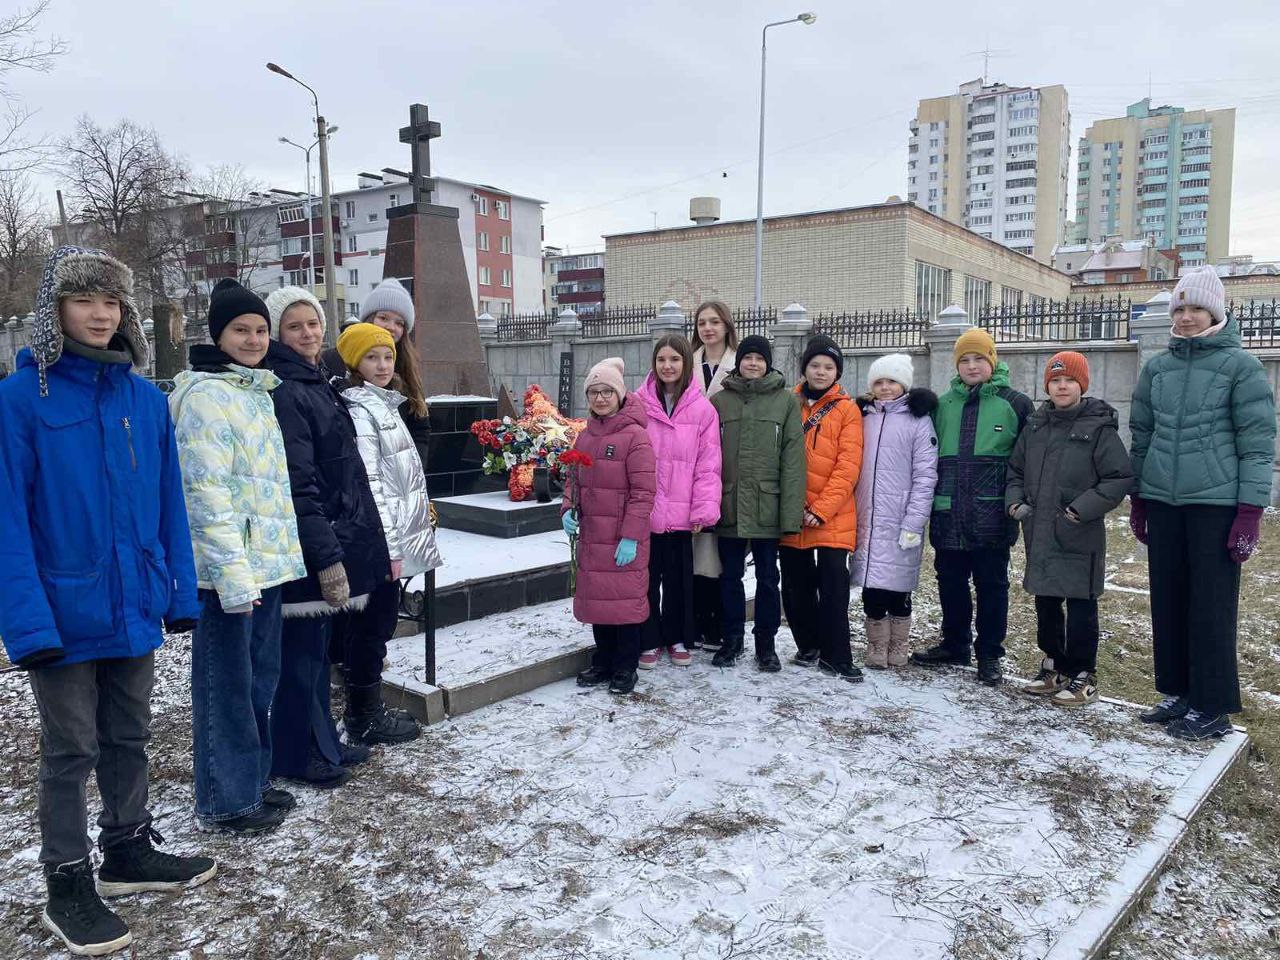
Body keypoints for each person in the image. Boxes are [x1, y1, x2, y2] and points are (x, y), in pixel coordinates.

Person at [0, 246, 216, 957]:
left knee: (129, 735)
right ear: (54, 309)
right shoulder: (20, 398)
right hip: (63, 614)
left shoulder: (144, 400)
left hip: (133, 606)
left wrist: (178, 594)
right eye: (85, 299)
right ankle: (67, 881)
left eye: (112, 302)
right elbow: (7, 519)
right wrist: (28, 624)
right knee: (71, 749)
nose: (101, 314)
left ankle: (127, 848)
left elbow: (169, 507)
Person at [169, 279, 308, 835]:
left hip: (265, 563)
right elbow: (206, 492)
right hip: (229, 570)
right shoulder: (206, 395)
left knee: (258, 680)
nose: (253, 339)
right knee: (226, 685)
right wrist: (231, 575)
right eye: (240, 330)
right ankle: (225, 798)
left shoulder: (254, 389)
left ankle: (251, 779)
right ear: (218, 336)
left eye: (259, 330)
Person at [1129, 267, 1276, 739]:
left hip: (1215, 505)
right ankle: (1179, 692)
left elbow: (1258, 443)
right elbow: (1142, 435)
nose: (1187, 317)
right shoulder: (1158, 367)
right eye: (1181, 308)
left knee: (1210, 605)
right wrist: (1140, 497)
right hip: (1163, 501)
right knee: (1168, 599)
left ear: (1215, 312)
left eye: (1196, 309)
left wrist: (1249, 512)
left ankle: (1212, 706)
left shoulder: (1241, 367)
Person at [263, 286, 391, 788]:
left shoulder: (314, 379)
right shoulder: (287, 388)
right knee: (300, 655)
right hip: (309, 539)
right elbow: (301, 480)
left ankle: (321, 741)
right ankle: (297, 751)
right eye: (294, 327)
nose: (307, 333)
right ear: (278, 334)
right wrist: (326, 552)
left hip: (331, 530)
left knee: (316, 650)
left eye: (312, 324)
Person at [1006, 352, 1132, 706]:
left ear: (1082, 385)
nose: (1062, 386)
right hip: (1040, 531)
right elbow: (1015, 471)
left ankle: (1083, 673)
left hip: (1079, 533)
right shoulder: (1035, 426)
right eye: (1055, 380)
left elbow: (1118, 476)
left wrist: (1081, 509)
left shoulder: (1098, 427)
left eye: (1069, 380)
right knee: (1046, 604)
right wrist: (1015, 503)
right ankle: (1054, 665)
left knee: (1080, 606)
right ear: (1047, 385)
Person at [337, 322, 443, 744]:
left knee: (376, 626)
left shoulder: (385, 404)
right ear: (354, 363)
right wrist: (392, 549)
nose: (382, 365)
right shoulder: (361, 408)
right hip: (381, 544)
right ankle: (364, 716)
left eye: (387, 356)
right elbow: (373, 486)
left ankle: (365, 709)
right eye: (372, 357)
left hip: (392, 539)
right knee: (372, 627)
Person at [912, 328, 1032, 685]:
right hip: (948, 509)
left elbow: (1025, 460)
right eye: (965, 359)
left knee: (992, 584)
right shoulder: (943, 404)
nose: (972, 365)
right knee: (950, 581)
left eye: (979, 358)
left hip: (992, 512)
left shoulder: (1016, 403)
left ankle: (990, 653)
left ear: (992, 361)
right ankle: (955, 643)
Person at [709, 336, 805, 670]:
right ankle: (731, 640)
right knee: (729, 577)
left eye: (759, 359)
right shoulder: (720, 401)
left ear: (768, 363)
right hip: (730, 503)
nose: (753, 363)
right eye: (747, 357)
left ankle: (767, 645)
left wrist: (790, 513)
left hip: (768, 506)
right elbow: (708, 457)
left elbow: (793, 459)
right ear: (738, 363)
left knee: (768, 579)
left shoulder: (785, 402)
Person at [562, 358, 656, 695]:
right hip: (592, 537)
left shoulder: (636, 437)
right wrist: (567, 509)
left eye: (607, 392)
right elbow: (573, 480)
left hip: (621, 538)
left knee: (624, 604)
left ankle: (625, 666)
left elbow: (644, 492)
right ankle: (603, 661)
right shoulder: (585, 436)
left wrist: (630, 536)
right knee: (599, 604)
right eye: (594, 392)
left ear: (620, 394)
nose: (601, 398)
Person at [779, 335, 864, 682]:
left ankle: (836, 655)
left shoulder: (847, 409)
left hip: (832, 515)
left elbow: (848, 466)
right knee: (796, 586)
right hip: (793, 513)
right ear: (805, 368)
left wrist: (821, 508)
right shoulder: (787, 403)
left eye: (829, 367)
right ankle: (808, 644)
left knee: (833, 587)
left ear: (837, 372)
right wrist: (793, 504)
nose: (821, 371)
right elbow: (778, 455)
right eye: (815, 365)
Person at [636, 334, 721, 669]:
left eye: (674, 360)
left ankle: (676, 637)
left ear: (686, 364)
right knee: (645, 581)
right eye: (661, 360)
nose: (667, 366)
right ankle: (647, 638)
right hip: (646, 512)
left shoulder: (702, 410)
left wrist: (703, 509)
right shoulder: (637, 404)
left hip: (682, 514)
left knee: (677, 582)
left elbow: (708, 464)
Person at [850, 354, 938, 669]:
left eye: (891, 381)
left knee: (898, 589)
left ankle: (898, 644)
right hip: (866, 518)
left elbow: (926, 475)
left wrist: (914, 521)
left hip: (900, 519)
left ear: (903, 384)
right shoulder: (863, 417)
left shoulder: (918, 420)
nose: (885, 388)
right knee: (871, 587)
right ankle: (876, 646)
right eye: (879, 382)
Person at [689, 300, 739, 650]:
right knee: (696, 550)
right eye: (702, 322)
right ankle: (697, 622)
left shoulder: (741, 364)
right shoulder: (685, 363)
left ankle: (720, 624)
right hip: (689, 464)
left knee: (722, 553)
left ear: (726, 326)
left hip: (730, 463)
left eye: (715, 322)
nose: (708, 328)